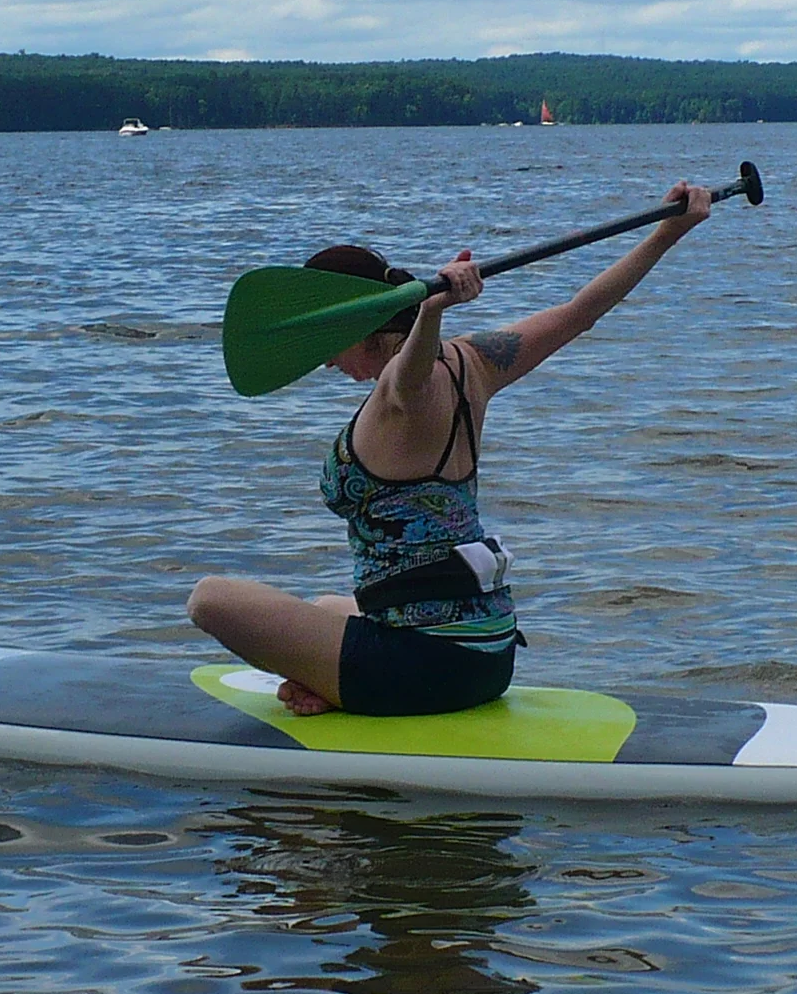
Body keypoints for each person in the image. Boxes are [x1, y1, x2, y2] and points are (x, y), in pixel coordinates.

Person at [188, 179, 713, 716]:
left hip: (424, 667)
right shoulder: (476, 362)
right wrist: (667, 233)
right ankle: (328, 684)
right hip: (488, 654)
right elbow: (580, 311)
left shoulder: (401, 395)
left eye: (328, 345)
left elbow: (409, 376)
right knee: (325, 607)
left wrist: (434, 309)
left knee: (209, 598)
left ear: (361, 327)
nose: (325, 361)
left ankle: (344, 690)